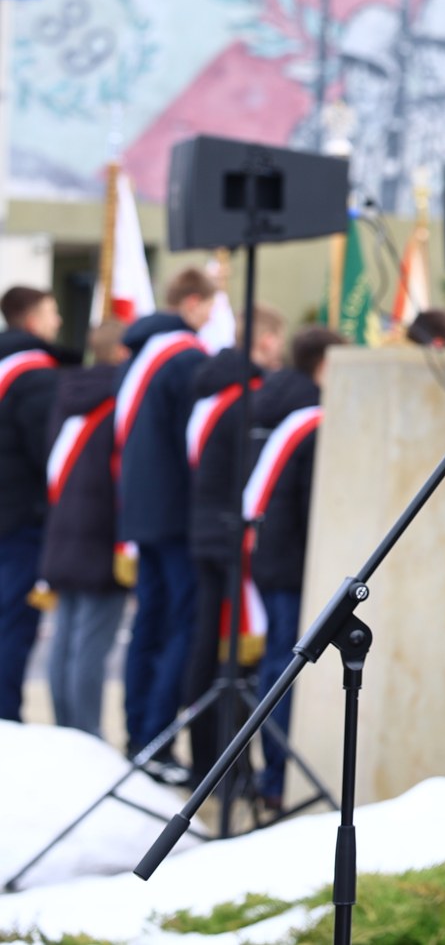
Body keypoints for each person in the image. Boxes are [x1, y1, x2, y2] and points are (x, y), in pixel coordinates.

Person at [116, 267, 218, 774]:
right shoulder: (185, 358)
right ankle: (157, 740)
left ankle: (137, 731)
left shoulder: (142, 352)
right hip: (177, 511)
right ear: (194, 303)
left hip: (140, 508)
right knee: (182, 624)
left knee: (148, 624)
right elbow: (196, 439)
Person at [243, 326, 346, 809]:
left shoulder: (283, 407)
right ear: (326, 365)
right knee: (287, 672)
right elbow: (315, 506)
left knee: (274, 668)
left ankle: (273, 773)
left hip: (270, 558)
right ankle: (280, 777)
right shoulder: (317, 420)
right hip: (293, 566)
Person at [182, 303, 287, 774]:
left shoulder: (213, 389)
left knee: (209, 642)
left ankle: (211, 757)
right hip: (230, 534)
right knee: (231, 651)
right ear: (265, 341)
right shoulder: (249, 397)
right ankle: (225, 765)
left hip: (204, 526)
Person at [38, 320, 132, 734]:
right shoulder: (118, 400)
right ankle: (86, 737)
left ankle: (65, 731)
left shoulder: (69, 393)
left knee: (65, 643)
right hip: (101, 534)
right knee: (89, 648)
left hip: (64, 531)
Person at [2, 285, 76, 722]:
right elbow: (49, 451)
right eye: (52, 312)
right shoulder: (35, 376)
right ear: (31, 320)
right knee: (13, 621)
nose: (59, 322)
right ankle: (6, 714)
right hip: (20, 519)